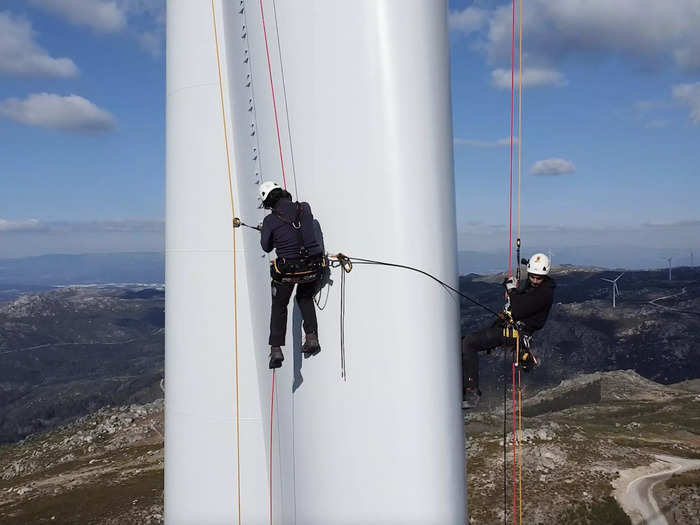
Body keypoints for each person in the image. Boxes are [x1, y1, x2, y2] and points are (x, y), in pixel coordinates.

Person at [461, 253, 556, 409]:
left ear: (545, 276)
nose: (534, 281)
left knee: (469, 343)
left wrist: (512, 292)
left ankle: (472, 393)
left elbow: (519, 309)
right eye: (532, 277)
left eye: (538, 278)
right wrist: (513, 290)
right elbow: (523, 302)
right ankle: (462, 387)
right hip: (510, 328)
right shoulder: (537, 287)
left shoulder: (545, 293)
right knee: (464, 342)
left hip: (516, 333)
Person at [258, 181, 324, 369]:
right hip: (312, 267)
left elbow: (266, 246)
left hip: (288, 272)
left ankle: (276, 349)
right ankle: (311, 337)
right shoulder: (304, 208)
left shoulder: (270, 220)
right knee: (304, 297)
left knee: (279, 305)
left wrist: (266, 230)